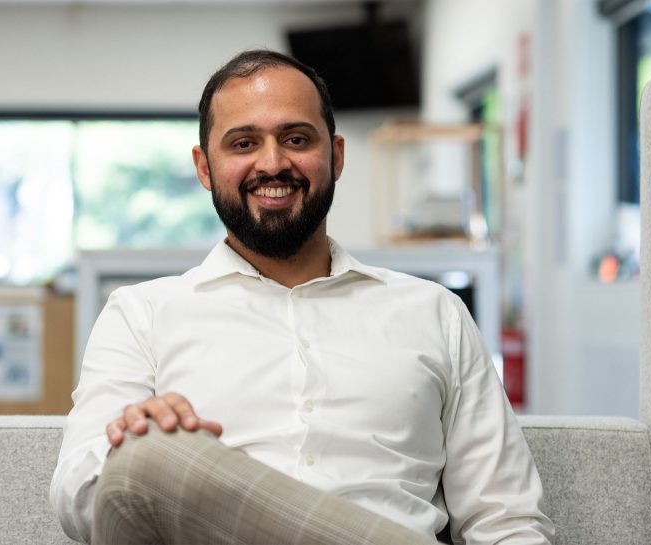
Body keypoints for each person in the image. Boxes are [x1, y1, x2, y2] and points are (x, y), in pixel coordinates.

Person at [51, 49, 555, 545]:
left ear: (335, 156)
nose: (272, 163)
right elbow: (79, 496)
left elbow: (506, 519)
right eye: (243, 143)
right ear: (205, 168)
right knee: (143, 457)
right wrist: (130, 442)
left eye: (295, 138)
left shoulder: (434, 313)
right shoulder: (141, 315)